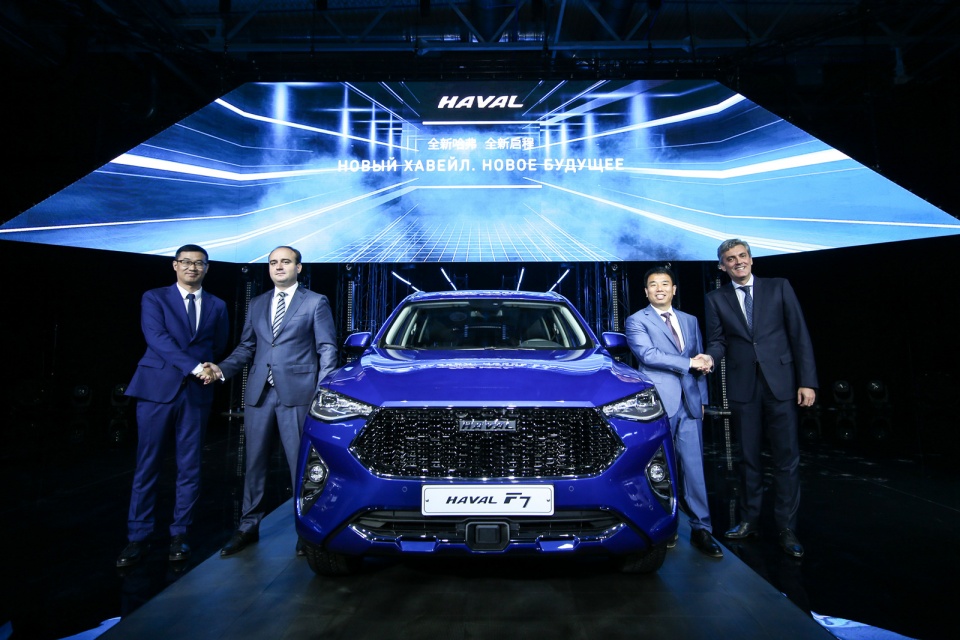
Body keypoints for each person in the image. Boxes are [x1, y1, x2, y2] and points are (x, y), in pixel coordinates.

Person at [204, 246, 337, 557]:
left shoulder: (315, 301)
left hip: (299, 393)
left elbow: (327, 349)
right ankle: (248, 527)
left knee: (300, 466)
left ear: (298, 268)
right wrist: (221, 369)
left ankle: (306, 528)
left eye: (285, 262)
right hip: (259, 393)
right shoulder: (258, 303)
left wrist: (322, 392)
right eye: (273, 263)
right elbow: (246, 347)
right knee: (253, 463)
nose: (278, 267)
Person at [117, 244, 230, 568]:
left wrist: (204, 369)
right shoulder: (155, 298)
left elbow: (219, 343)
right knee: (147, 465)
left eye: (199, 263)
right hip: (156, 389)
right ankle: (138, 537)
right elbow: (157, 339)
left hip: (196, 393)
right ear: (175, 265)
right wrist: (195, 367)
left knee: (190, 466)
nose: (192, 268)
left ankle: (180, 534)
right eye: (186, 262)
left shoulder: (218, 305)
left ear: (207, 268)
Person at [702, 239, 817, 558]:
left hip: (782, 383)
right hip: (743, 386)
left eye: (742, 256)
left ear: (751, 259)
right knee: (748, 458)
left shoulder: (779, 286)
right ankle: (750, 519)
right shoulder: (715, 298)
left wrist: (807, 382)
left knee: (786, 458)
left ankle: (786, 527)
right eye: (730, 258)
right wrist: (709, 358)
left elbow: (799, 335)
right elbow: (718, 341)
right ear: (722, 266)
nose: (738, 261)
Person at [626, 266, 723, 558]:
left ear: (674, 289)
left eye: (665, 284)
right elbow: (648, 356)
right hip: (658, 404)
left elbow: (701, 359)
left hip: (690, 402)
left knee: (694, 468)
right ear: (646, 292)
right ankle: (665, 527)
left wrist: (702, 398)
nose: (660, 289)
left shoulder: (690, 320)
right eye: (654, 284)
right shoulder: (636, 320)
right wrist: (690, 363)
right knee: (660, 469)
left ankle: (702, 529)